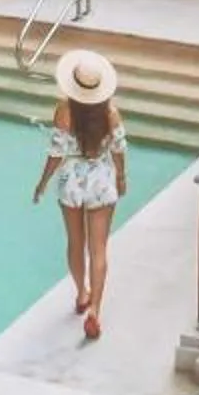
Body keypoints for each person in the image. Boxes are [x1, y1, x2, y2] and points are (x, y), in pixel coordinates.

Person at [35, 47, 128, 341]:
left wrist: (42, 183)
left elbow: (56, 153)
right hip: (100, 178)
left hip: (72, 180)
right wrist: (121, 176)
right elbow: (119, 149)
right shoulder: (110, 113)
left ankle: (81, 293)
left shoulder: (63, 111)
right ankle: (95, 311)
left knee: (76, 242)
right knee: (99, 249)